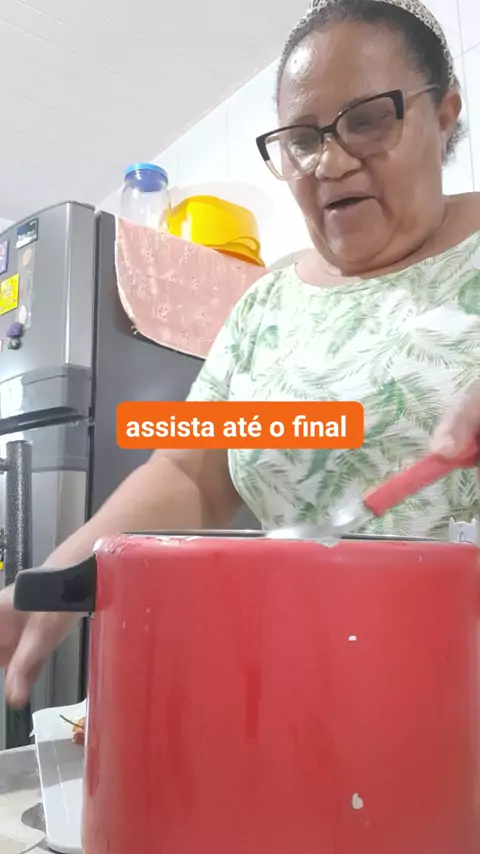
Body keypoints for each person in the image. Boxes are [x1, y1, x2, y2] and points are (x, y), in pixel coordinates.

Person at [2, 0, 480, 709]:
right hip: (301, 700)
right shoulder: (266, 306)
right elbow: (189, 472)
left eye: (368, 120)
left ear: (443, 112)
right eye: (303, 139)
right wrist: (55, 576)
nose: (331, 162)